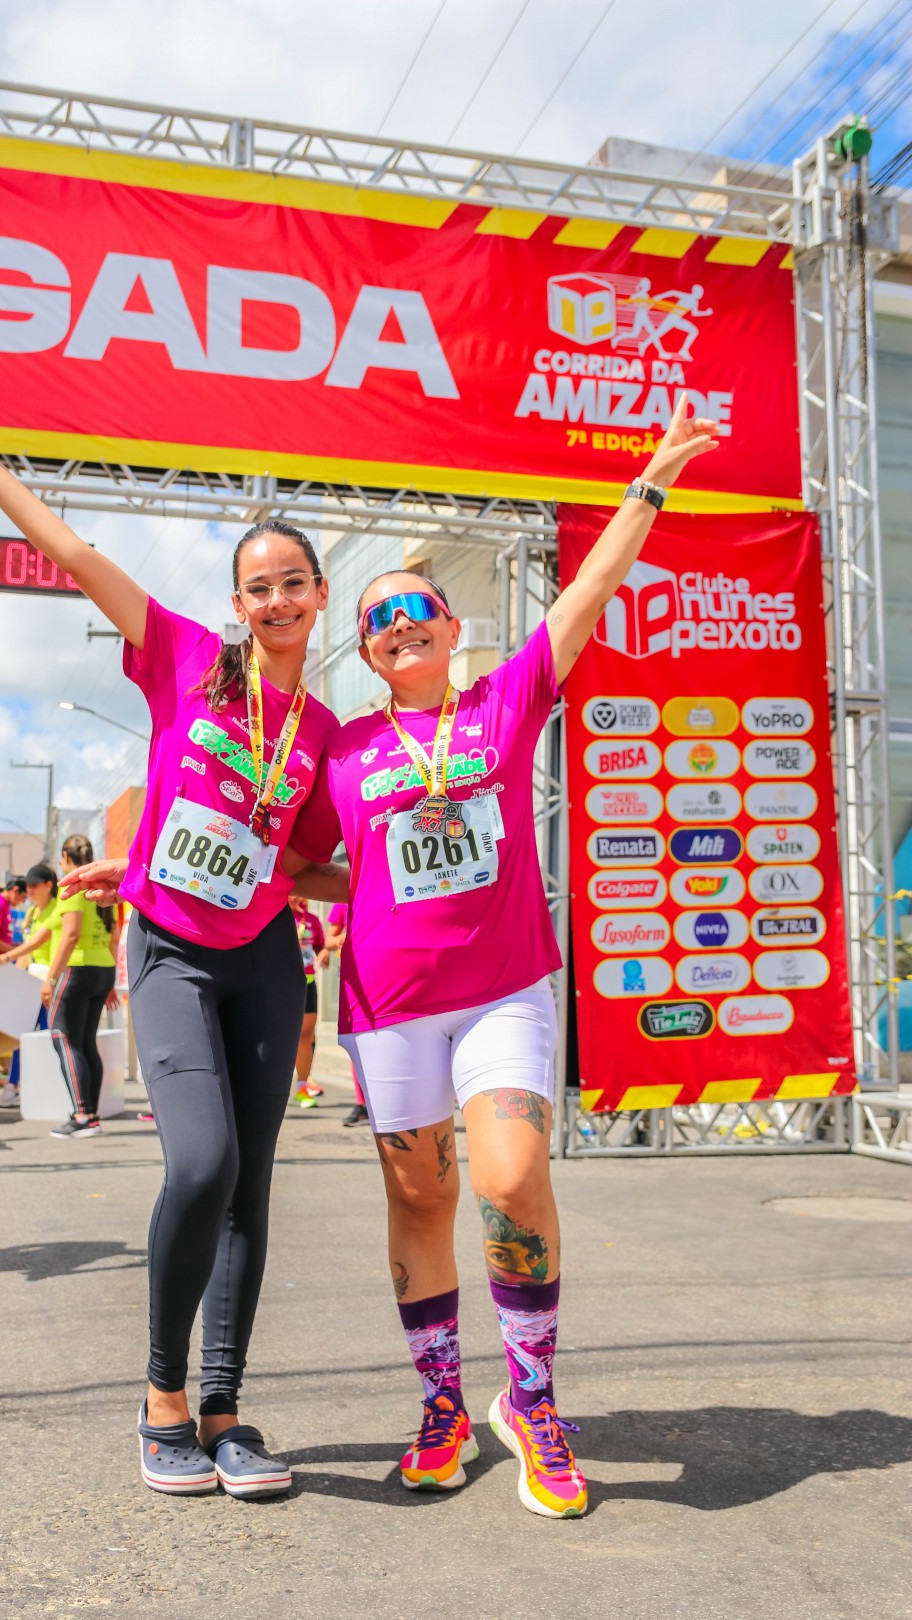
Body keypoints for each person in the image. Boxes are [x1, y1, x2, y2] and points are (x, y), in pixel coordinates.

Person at [0, 368, 340, 1501]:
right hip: (172, 952)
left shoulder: (326, 732)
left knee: (252, 1185)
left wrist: (409, 884)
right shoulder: (188, 658)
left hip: (266, 959)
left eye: (293, 583)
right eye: (258, 587)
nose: (277, 601)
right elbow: (75, 554)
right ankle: (162, 1398)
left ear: (319, 594)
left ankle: (226, 1409)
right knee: (202, 1162)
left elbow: (305, 863)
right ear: (237, 604)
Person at [292, 396, 717, 1518]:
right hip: (388, 1004)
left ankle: (531, 1399)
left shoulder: (504, 703)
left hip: (503, 991)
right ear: (366, 649)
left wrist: (650, 483)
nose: (400, 624)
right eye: (379, 619)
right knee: (419, 1199)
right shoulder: (344, 750)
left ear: (450, 629)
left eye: (416, 609)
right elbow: (294, 864)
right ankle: (442, 1403)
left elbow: (585, 597)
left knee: (512, 1178)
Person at [39, 835, 117, 1137]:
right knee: (85, 1042)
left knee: (63, 1038)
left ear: (65, 855)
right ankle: (91, 1115)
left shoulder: (73, 885)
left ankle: (82, 1116)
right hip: (103, 970)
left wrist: (51, 979)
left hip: (78, 969)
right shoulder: (102, 884)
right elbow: (112, 936)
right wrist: (111, 981)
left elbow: (71, 935)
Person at [0, 862, 60, 1105]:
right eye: (28, 887)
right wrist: (17, 979)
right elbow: (27, 949)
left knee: (49, 1035)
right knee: (21, 1033)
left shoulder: (59, 909)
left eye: (35, 886)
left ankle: (52, 1088)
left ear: (48, 886)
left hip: (51, 981)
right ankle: (13, 1085)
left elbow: (40, 944)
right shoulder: (31, 913)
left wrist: (6, 957)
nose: (30, 891)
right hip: (30, 981)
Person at [324, 903, 369, 1127]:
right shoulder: (343, 900)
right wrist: (342, 938)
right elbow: (329, 940)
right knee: (358, 1040)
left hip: (388, 973)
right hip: (355, 980)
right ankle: (362, 1104)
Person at [288, 895, 327, 1107]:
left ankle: (303, 1088)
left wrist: (324, 953)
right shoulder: (277, 916)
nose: (296, 895)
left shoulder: (311, 919)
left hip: (308, 980)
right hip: (282, 982)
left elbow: (321, 945)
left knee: (306, 1035)